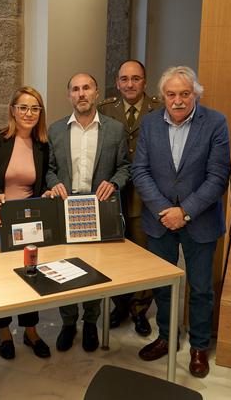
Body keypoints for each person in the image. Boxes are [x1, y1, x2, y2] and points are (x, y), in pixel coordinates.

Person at [132, 66, 231, 378]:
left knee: (200, 288)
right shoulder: (149, 123)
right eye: (171, 94)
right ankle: (167, 336)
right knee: (163, 286)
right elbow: (140, 170)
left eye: (184, 94)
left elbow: (218, 176)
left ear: (195, 95)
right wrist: (165, 210)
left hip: (199, 221)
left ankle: (199, 345)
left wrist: (184, 212)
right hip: (159, 220)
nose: (178, 100)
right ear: (162, 96)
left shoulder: (215, 122)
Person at [45, 72, 131, 352]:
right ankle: (69, 323)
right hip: (66, 209)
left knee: (93, 267)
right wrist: (55, 183)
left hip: (97, 209)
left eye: (86, 88)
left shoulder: (115, 129)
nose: (81, 94)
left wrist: (114, 182)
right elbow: (48, 169)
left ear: (96, 93)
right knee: (66, 267)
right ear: (69, 95)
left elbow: (125, 167)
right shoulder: (56, 130)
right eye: (75, 89)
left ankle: (91, 322)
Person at [0, 86, 52, 360]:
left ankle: (30, 330)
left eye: (35, 108)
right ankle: (4, 331)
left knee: (30, 274)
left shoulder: (42, 145)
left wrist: (48, 194)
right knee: (2, 279)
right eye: (23, 107)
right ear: (12, 110)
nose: (29, 113)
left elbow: (42, 183)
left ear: (40, 113)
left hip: (28, 222)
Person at [98, 59, 161, 336]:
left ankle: (139, 309)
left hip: (146, 195)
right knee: (114, 254)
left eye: (135, 79)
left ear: (145, 82)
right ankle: (120, 305)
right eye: (124, 79)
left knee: (143, 255)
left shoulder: (158, 109)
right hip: (113, 194)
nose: (130, 84)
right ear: (117, 82)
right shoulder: (105, 110)